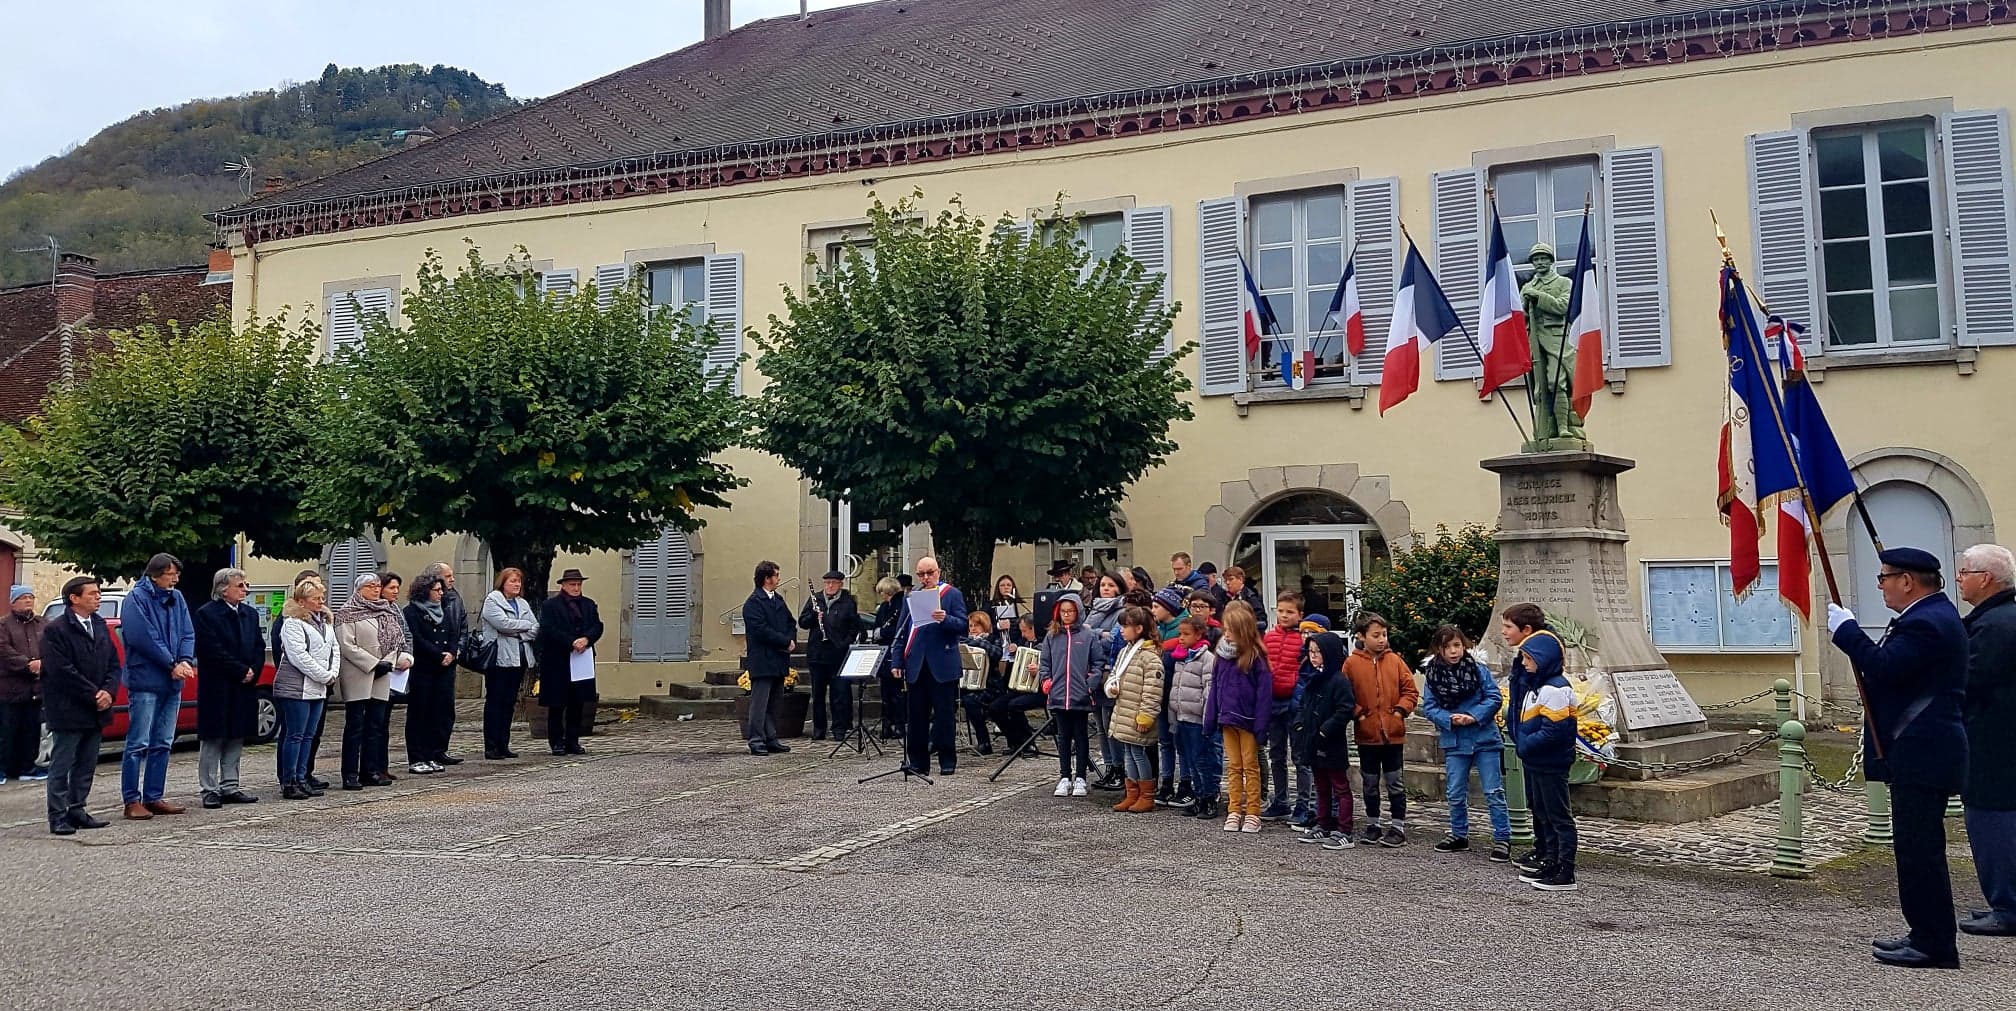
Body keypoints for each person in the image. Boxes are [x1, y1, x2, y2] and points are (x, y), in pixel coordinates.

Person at [1829, 547, 1969, 967]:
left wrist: (1849, 632)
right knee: (1915, 850)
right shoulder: (1928, 617)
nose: (1881, 585)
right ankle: (1924, 931)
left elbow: (1886, 666)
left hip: (1923, 751)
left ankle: (1934, 943)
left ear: (1907, 580)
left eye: (1884, 577)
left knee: (1919, 853)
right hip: (1921, 750)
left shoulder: (1927, 623)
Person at [1957, 543, 2016, 938]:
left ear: (1986, 579)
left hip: (1994, 741)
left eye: (1964, 572)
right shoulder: (1998, 619)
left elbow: (1971, 680)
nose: (1959, 578)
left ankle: (2007, 905)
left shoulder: (1996, 626)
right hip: (1999, 738)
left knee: (1992, 823)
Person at [1503, 602, 1579, 892]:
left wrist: (1524, 744)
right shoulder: (1539, 686)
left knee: (1558, 815)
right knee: (1542, 810)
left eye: (1528, 659)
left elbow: (1554, 731)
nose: (1523, 663)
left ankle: (1564, 869)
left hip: (1548, 759)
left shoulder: (1555, 689)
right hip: (1536, 759)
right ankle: (1550, 859)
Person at [1418, 624, 1511, 861]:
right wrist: (1448, 719)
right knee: (1455, 791)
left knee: (1493, 790)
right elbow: (1429, 707)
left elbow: (1493, 697)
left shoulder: (1477, 670)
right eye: (1447, 646)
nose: (1453, 651)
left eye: (1457, 645)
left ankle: (1502, 837)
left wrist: (1474, 716)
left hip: (1484, 738)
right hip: (1455, 740)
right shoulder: (1433, 675)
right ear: (1439, 649)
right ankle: (1459, 834)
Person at [119, 553, 196, 820]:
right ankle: (131, 800)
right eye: (170, 574)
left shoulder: (177, 598)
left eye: (176, 574)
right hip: (146, 680)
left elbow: (187, 631)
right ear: (155, 573)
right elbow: (143, 638)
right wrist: (170, 663)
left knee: (163, 741)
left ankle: (154, 796)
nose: (175, 579)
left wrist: (185, 659)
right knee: (138, 742)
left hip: (172, 681)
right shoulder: (135, 599)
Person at [40, 577, 118, 834]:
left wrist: (108, 691)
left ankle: (77, 808)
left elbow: (113, 663)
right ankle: (58, 815)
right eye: (93, 593)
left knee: (86, 763)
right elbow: (61, 671)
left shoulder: (99, 624)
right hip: (68, 708)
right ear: (74, 598)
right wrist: (93, 693)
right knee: (62, 764)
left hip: (96, 709)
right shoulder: (56, 629)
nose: (98, 597)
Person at [1345, 610, 1419, 847]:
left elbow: (1410, 691)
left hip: (1393, 735)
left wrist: (1399, 711)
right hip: (1367, 735)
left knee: (1395, 781)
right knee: (1369, 781)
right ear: (1362, 636)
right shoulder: (1352, 663)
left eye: (1384, 634)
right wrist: (1360, 714)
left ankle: (1398, 826)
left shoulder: (1395, 661)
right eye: (1376, 635)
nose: (1381, 639)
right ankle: (1373, 823)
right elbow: (1345, 695)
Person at [192, 569, 264, 808]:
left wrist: (253, 668)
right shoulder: (207, 614)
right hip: (218, 685)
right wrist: (239, 670)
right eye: (240, 585)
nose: (245, 589)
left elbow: (257, 645)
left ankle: (230, 786)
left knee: (236, 735)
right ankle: (209, 788)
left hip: (243, 686)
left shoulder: (249, 614)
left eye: (246, 585)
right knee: (213, 738)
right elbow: (210, 650)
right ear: (224, 588)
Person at [893, 556, 970, 776]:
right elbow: (902, 632)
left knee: (944, 716)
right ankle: (917, 762)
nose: (925, 578)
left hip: (942, 664)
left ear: (938, 572)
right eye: (921, 574)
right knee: (916, 717)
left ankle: (947, 760)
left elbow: (963, 626)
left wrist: (945, 619)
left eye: (929, 573)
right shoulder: (912, 596)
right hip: (916, 664)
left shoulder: (951, 594)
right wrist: (897, 660)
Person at [336, 572, 409, 790]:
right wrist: (373, 663)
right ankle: (350, 773)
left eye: (378, 586)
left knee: (375, 725)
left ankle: (371, 770)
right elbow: (347, 645)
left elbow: (395, 640)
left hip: (383, 674)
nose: (376, 589)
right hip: (359, 673)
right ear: (359, 589)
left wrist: (388, 662)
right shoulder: (346, 613)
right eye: (371, 586)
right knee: (355, 726)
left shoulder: (385, 611)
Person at [1206, 599, 1272, 833]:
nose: (1227, 635)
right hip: (1227, 719)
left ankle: (1253, 812)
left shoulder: (1255, 657)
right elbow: (1215, 688)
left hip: (1248, 721)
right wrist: (1210, 718)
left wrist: (1261, 727)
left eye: (1231, 631)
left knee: (1250, 766)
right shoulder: (1221, 656)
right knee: (1233, 766)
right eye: (1226, 630)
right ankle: (1234, 809)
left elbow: (1264, 696)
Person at [276, 575, 340, 800]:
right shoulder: (292, 624)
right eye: (316, 598)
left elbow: (335, 649)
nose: (321, 602)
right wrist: (324, 675)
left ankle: (303, 777)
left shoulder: (325, 623)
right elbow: (299, 657)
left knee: (309, 735)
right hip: (296, 687)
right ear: (302, 602)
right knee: (295, 734)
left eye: (322, 597)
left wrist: (332, 673)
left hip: (318, 686)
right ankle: (289, 780)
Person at [1293, 630, 1357, 849]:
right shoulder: (1313, 677)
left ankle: (1345, 830)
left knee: (1339, 785)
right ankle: (1323, 824)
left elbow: (1345, 709)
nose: (1313, 656)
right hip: (1312, 738)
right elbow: (1303, 704)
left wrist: (1325, 730)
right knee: (1320, 785)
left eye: (1318, 652)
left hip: (1331, 741)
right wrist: (1301, 724)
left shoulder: (1339, 680)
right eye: (1310, 652)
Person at [1039, 591, 1105, 796]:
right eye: (1063, 611)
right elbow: (1045, 663)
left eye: (1071, 611)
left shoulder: (1088, 635)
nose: (1067, 615)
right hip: (1058, 695)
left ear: (1078, 612)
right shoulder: (1052, 636)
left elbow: (1098, 663)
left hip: (1080, 695)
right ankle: (1064, 776)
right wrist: (1046, 681)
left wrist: (1089, 685)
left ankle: (1081, 778)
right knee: (1063, 737)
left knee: (1081, 736)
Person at [537, 569, 604, 756]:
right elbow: (549, 629)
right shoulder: (551, 606)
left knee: (578, 703)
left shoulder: (589, 605)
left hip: (581, 659)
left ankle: (573, 740)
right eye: (572, 585)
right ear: (563, 585)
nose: (576, 588)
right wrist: (571, 642)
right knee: (557, 703)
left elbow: (597, 626)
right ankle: (556, 741)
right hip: (558, 660)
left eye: (578, 585)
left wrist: (587, 639)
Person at [1105, 606, 1163, 813]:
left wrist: (1146, 715)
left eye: (1125, 626)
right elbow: (1115, 673)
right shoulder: (1125, 652)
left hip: (1137, 713)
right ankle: (1133, 793)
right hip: (1125, 710)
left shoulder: (1149, 657)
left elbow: (1152, 690)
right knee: (1129, 752)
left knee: (1138, 753)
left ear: (1139, 628)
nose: (1121, 630)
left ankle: (1147, 794)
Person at [1259, 592, 1308, 823]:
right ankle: (1280, 800)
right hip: (1273, 702)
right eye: (1281, 611)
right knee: (1276, 754)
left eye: (1290, 612)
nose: (1284, 615)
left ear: (1300, 615)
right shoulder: (1269, 638)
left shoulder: (1304, 640)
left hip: (1294, 703)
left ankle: (1303, 804)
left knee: (1300, 757)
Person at [402, 570, 457, 774]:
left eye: (441, 589)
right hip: (423, 667)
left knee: (438, 712)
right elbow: (416, 638)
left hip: (443, 668)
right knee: (420, 713)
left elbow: (453, 632)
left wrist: (451, 652)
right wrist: (438, 654)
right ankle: (416, 757)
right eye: (436, 590)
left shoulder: (443, 610)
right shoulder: (412, 612)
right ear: (425, 592)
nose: (441, 593)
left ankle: (432, 753)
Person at [480, 568, 538, 760]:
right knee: (495, 701)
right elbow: (502, 624)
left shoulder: (522, 603)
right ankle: (491, 745)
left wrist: (518, 629)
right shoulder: (492, 600)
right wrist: (523, 627)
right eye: (513, 581)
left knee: (509, 702)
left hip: (519, 658)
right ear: (503, 582)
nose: (517, 584)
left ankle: (504, 744)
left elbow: (535, 627)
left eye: (519, 581)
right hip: (499, 658)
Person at [1167, 615, 1221, 819]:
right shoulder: (1180, 657)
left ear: (1199, 634)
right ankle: (1198, 796)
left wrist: (1208, 717)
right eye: (1179, 634)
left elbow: (1208, 689)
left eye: (1186, 634)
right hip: (1182, 717)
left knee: (1203, 759)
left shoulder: (1207, 658)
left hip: (1198, 719)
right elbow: (1177, 687)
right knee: (1190, 760)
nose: (1181, 638)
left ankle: (1209, 797)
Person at [799, 569, 860, 742]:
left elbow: (854, 627)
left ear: (840, 584)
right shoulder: (815, 599)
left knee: (839, 693)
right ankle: (819, 728)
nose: (830, 586)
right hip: (817, 654)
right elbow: (802, 622)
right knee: (818, 694)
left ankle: (839, 728)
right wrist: (813, 615)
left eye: (833, 583)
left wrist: (844, 643)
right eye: (827, 583)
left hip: (837, 654)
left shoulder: (847, 602)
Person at [742, 560, 796, 757]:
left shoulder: (778, 600)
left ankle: (771, 737)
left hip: (779, 659)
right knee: (760, 704)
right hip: (763, 659)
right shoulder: (753, 603)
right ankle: (756, 739)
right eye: (776, 575)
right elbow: (760, 630)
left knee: (775, 702)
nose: (779, 579)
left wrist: (791, 638)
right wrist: (784, 641)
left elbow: (791, 622)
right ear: (767, 578)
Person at [419, 561, 467, 766]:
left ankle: (441, 749)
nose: (452, 580)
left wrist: (455, 652)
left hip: (450, 659)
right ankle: (426, 752)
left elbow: (462, 626)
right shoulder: (421, 604)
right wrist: (439, 654)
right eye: (448, 577)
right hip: (430, 662)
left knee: (446, 709)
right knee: (428, 708)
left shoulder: (455, 598)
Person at [0, 585, 48, 784]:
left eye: (31, 597)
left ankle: (27, 767)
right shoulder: (3, 625)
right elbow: (3, 650)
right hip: (10, 688)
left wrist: (43, 663)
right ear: (13, 602)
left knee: (31, 730)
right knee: (7, 731)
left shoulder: (42, 623)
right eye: (23, 598)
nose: (28, 601)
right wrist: (28, 665)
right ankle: (3, 769)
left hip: (36, 689)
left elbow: (53, 645)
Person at [1083, 574, 1126, 790]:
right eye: (1103, 585)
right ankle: (1109, 767)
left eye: (1111, 585)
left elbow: (1114, 640)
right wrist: (1099, 634)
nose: (1106, 589)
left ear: (1119, 588)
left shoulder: (1122, 610)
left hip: (1111, 672)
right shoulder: (1094, 610)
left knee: (1111, 725)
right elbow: (1084, 636)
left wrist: (1095, 634)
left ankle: (1119, 768)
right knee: (1100, 725)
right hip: (1094, 672)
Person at [958, 611, 1003, 754]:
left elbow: (997, 653)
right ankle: (936, 741)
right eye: (970, 626)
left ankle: (984, 741)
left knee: (971, 701)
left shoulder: (992, 639)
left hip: (990, 686)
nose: (972, 629)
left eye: (976, 626)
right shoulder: (965, 641)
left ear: (985, 626)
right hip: (969, 684)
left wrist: (980, 642)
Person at [870, 576, 907, 740]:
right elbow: (878, 624)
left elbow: (899, 629)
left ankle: (899, 724)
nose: (881, 595)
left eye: (882, 592)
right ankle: (887, 724)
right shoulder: (885, 606)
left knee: (896, 692)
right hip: (884, 651)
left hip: (895, 651)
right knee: (886, 692)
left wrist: (883, 632)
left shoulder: (901, 604)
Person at [1222, 565, 1267, 631]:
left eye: (1231, 579)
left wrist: (1244, 627)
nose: (1227, 583)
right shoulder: (1226, 597)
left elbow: (1262, 621)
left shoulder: (1251, 597)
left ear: (1240, 579)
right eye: (1225, 580)